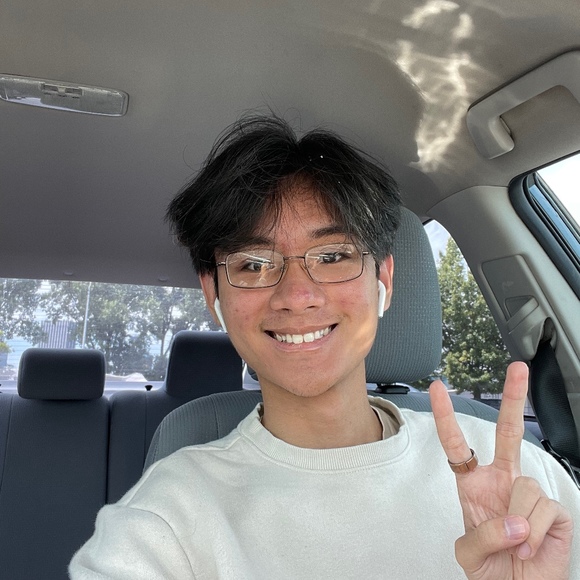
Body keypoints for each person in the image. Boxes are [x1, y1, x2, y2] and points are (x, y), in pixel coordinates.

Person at [70, 115, 577, 579]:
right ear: (213, 295)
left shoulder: (518, 478)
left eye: (333, 256)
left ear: (383, 280)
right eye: (253, 264)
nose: (297, 296)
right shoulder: (164, 521)